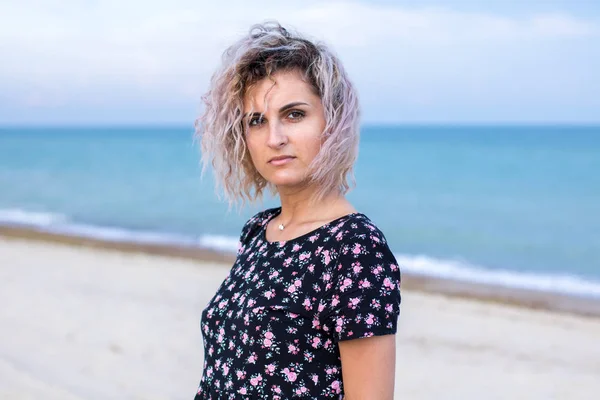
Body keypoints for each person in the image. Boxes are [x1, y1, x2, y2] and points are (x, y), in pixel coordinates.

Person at [194, 21, 401, 400]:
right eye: (257, 121)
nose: (275, 138)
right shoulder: (259, 231)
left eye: (294, 114)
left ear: (332, 121)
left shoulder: (355, 248)